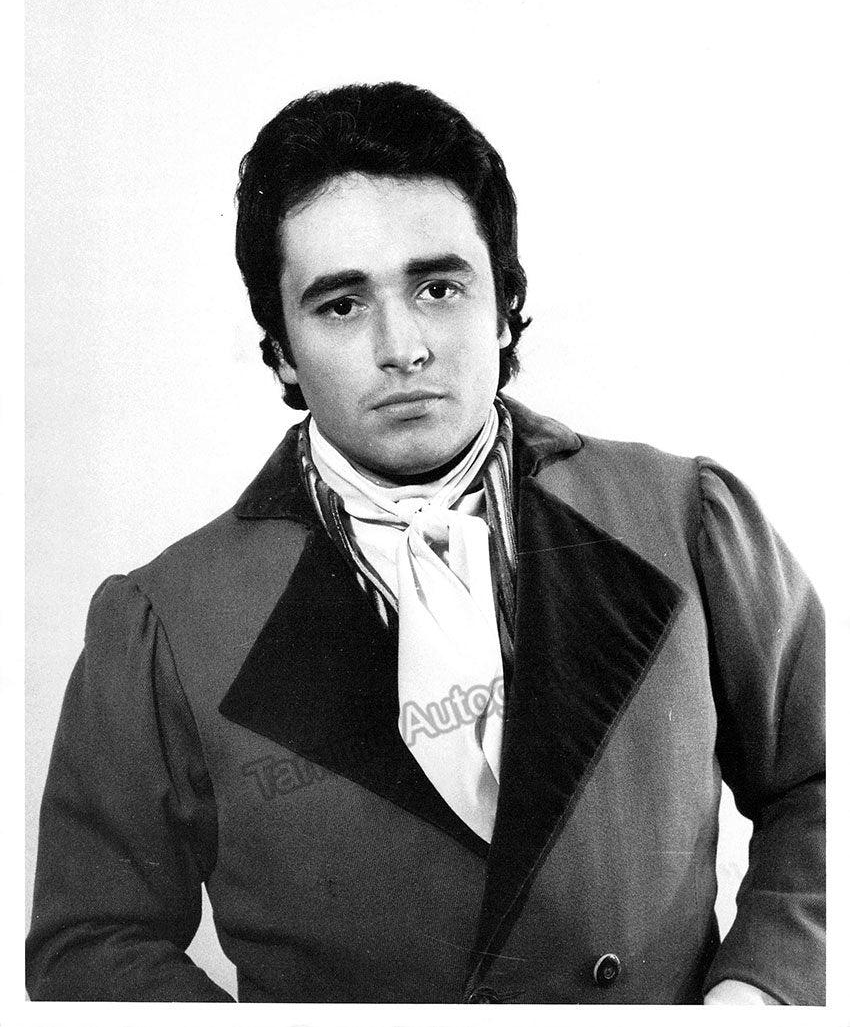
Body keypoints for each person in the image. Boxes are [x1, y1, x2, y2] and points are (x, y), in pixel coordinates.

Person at [26, 81, 825, 1004]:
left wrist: (758, 996)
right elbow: (92, 940)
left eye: (439, 288)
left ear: (505, 304)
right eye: (340, 305)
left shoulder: (686, 518)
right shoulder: (163, 622)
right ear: (280, 350)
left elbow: (822, 782)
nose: (402, 345)